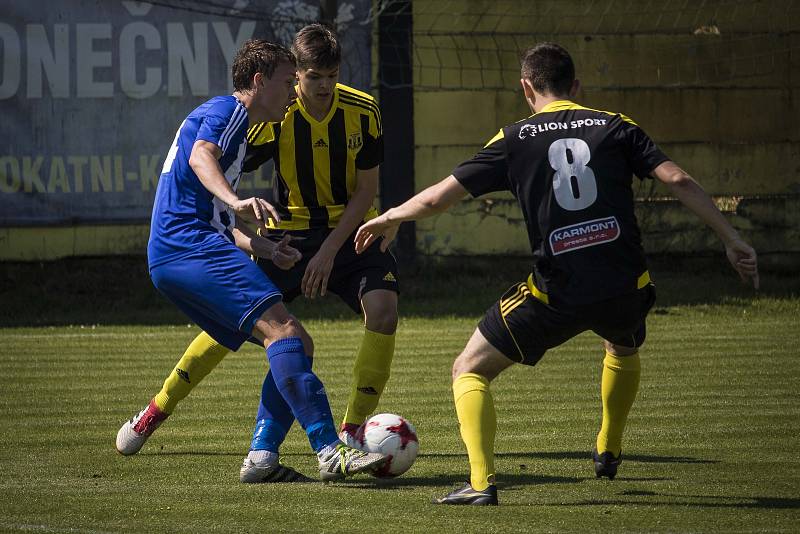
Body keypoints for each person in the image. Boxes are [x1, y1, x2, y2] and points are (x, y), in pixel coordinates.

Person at [355, 42, 759, 505]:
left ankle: (481, 484)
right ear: (577, 87)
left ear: (526, 87)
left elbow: (437, 199)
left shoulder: (513, 139)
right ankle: (609, 446)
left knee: (468, 368)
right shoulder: (615, 126)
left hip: (557, 293)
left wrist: (391, 217)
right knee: (621, 344)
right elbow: (678, 180)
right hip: (626, 287)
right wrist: (731, 238)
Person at [117, 26, 399, 482]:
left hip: (189, 247)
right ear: (259, 81)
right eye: (292, 81)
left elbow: (217, 217)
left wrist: (261, 244)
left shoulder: (257, 126)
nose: (296, 92)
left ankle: (263, 459)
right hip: (190, 247)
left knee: (293, 341)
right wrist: (236, 201)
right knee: (283, 330)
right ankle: (330, 450)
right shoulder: (230, 113)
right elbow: (200, 158)